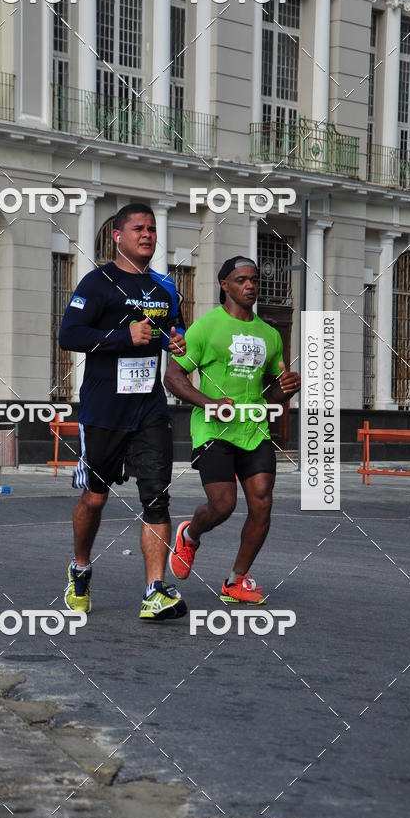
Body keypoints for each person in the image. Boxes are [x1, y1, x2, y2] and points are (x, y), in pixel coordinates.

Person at [58, 203, 188, 621]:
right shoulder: (98, 283)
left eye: (151, 229)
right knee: (94, 499)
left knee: (157, 498)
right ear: (118, 236)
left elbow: (175, 327)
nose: (147, 235)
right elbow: (70, 334)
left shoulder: (165, 286)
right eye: (138, 229)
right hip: (103, 410)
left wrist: (177, 341)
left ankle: (154, 590)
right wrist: (122, 336)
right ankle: (80, 568)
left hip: (149, 409)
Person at [164, 256, 301, 605]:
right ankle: (190, 534)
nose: (250, 285)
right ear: (225, 284)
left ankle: (235, 581)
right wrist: (209, 402)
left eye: (254, 279)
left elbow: (270, 390)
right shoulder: (206, 327)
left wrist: (284, 389)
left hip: (254, 429)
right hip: (213, 430)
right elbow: (174, 377)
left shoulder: (270, 334)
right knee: (223, 505)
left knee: (262, 503)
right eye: (241, 280)